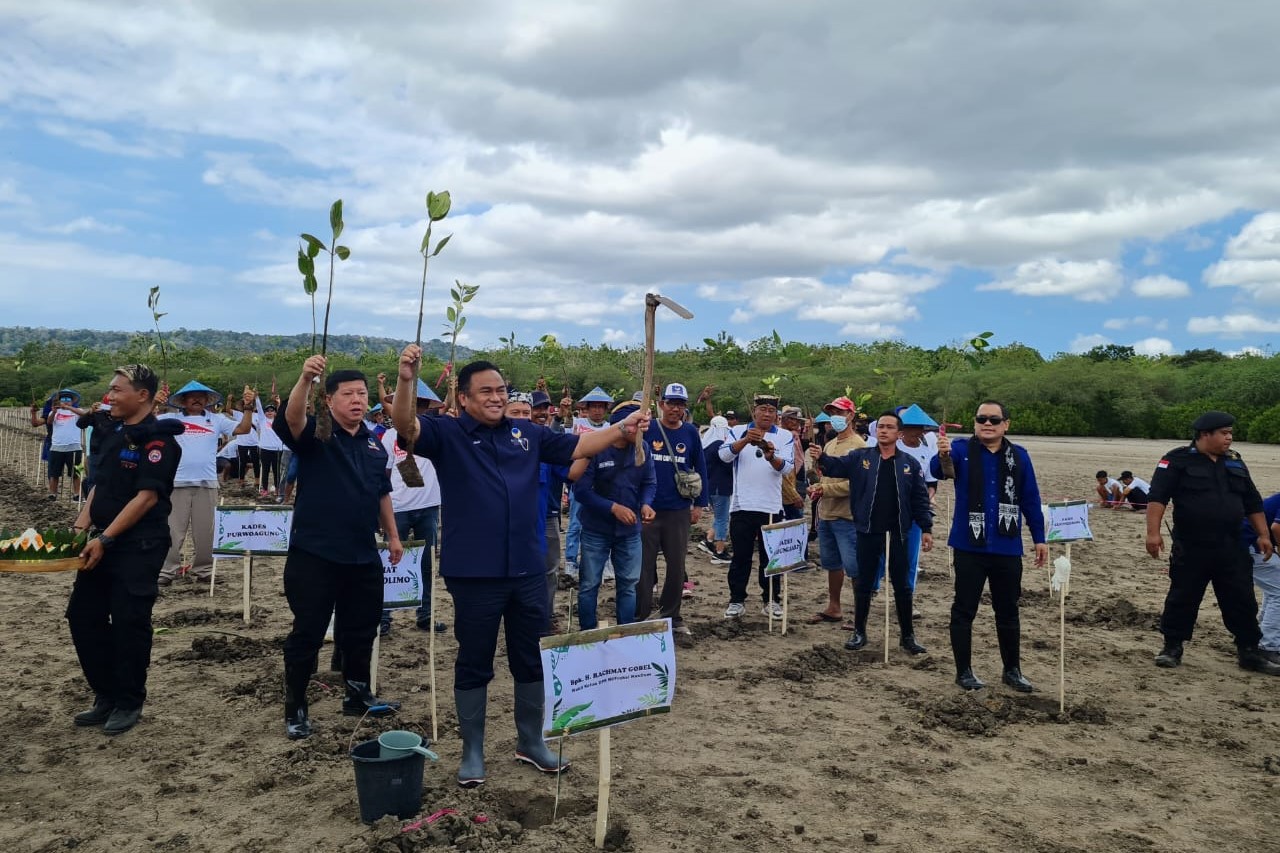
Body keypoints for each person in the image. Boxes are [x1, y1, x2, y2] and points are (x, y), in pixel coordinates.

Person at [390, 348, 651, 788]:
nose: (495, 398)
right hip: (474, 572)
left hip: (529, 568)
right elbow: (404, 426)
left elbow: (580, 445)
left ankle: (530, 741)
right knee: (475, 660)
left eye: (501, 391)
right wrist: (405, 380)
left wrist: (622, 428)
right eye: (486, 392)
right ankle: (472, 749)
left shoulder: (527, 433)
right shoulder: (446, 433)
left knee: (530, 658)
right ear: (465, 398)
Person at [274, 357, 405, 740]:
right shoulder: (317, 434)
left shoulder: (373, 443)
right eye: (347, 394)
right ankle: (296, 704)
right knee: (309, 632)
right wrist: (304, 378)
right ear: (329, 400)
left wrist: (393, 536)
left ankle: (357, 693)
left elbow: (382, 493)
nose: (357, 400)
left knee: (361, 629)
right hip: (314, 554)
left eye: (362, 394)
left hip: (362, 554)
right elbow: (292, 419)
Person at [68, 364, 183, 735]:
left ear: (143, 396)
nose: (110, 396)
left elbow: (146, 498)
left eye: (117, 390)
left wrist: (107, 539)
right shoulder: (116, 433)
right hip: (102, 540)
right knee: (83, 617)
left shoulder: (159, 442)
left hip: (139, 545)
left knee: (129, 622)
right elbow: (100, 486)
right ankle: (105, 694)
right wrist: (81, 526)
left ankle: (128, 700)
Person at [1144, 411, 1280, 675]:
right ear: (1205, 435)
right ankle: (1172, 648)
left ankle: (1249, 652)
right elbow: (1158, 497)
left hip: (1232, 545)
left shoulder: (1235, 462)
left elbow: (1252, 501)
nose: (1230, 437)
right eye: (1224, 433)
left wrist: (1264, 535)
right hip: (1193, 544)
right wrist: (1153, 533)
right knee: (1183, 596)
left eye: (1230, 433)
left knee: (1241, 599)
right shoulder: (1176, 460)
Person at [932, 401, 1047, 692]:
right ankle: (964, 671)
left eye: (994, 419)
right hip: (969, 545)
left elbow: (1030, 498)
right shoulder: (959, 450)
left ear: (1006, 424)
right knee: (963, 609)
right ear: (974, 422)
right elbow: (939, 470)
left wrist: (1039, 538)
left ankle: (1012, 670)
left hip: (1007, 547)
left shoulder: (1019, 456)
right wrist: (942, 453)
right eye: (981, 418)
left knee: (1008, 610)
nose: (987, 423)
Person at [810, 411, 933, 655]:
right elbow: (835, 467)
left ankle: (907, 636)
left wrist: (926, 527)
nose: (884, 430)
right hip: (867, 529)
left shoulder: (909, 463)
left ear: (899, 434)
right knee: (864, 583)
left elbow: (919, 498)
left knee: (902, 584)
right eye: (881, 427)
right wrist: (820, 457)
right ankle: (859, 631)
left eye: (890, 427)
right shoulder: (860, 457)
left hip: (899, 532)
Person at [156, 381, 254, 586]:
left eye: (201, 396)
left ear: (207, 400)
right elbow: (145, 423)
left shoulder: (216, 419)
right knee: (172, 530)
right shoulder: (170, 419)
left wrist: (248, 407)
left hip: (207, 483)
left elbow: (244, 429)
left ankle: (204, 570)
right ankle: (167, 571)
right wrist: (153, 403)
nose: (197, 399)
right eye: (191, 396)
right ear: (183, 400)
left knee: (206, 531)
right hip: (176, 483)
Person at [571, 402, 656, 629]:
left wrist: (646, 504)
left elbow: (649, 482)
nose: (641, 433)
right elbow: (580, 491)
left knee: (628, 584)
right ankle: (587, 633)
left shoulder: (643, 449)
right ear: (623, 426)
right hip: (595, 530)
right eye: (637, 427)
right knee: (589, 584)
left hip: (630, 532)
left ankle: (625, 633)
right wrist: (613, 508)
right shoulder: (596, 448)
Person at [638, 383, 709, 635]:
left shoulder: (690, 433)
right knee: (644, 566)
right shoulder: (649, 429)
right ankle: (642, 616)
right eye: (671, 403)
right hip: (647, 509)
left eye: (680, 404)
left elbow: (700, 467)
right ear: (661, 404)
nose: (675, 409)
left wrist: (700, 504)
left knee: (676, 566)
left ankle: (672, 616)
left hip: (678, 509)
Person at [718, 393, 794, 619]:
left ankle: (771, 600)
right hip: (741, 505)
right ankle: (736, 600)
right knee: (741, 557)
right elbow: (723, 455)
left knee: (770, 559)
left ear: (776, 414)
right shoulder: (737, 430)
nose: (767, 414)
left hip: (771, 506)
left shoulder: (785, 435)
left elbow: (788, 468)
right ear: (755, 410)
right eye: (763, 409)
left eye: (771, 411)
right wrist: (744, 441)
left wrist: (771, 457)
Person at [379, 378, 445, 636]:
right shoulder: (390, 436)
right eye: (408, 403)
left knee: (426, 565)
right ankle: (384, 617)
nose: (413, 408)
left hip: (428, 506)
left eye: (419, 404)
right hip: (397, 507)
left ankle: (425, 615)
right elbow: (384, 474)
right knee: (390, 563)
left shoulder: (438, 432)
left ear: (427, 407)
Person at [805, 401, 865, 625]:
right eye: (832, 413)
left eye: (839, 412)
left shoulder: (859, 445)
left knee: (854, 566)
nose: (835, 417)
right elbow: (825, 476)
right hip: (827, 514)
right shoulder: (829, 444)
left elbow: (857, 484)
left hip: (847, 516)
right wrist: (817, 487)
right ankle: (834, 607)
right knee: (832, 564)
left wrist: (825, 489)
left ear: (850, 415)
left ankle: (861, 613)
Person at [563, 386, 614, 580]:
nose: (598, 410)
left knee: (605, 523)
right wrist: (566, 413)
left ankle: (606, 563)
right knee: (576, 522)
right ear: (587, 407)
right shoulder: (578, 423)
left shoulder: (611, 428)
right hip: (580, 481)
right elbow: (566, 429)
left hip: (604, 482)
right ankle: (570, 562)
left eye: (602, 407)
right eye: (594, 406)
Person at [531, 390, 570, 631]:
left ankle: (545, 616)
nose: (542, 413)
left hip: (548, 515)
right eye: (537, 409)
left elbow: (569, 471)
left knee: (550, 570)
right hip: (517, 517)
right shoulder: (513, 441)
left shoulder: (549, 440)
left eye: (546, 408)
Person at [1246, 492, 1280, 664]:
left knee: (1274, 588)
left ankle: (1260, 636)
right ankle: (1268, 646)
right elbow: (1276, 528)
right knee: (1279, 591)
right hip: (1249, 545)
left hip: (1246, 542)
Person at [697, 416, 735, 565]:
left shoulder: (705, 445)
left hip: (709, 487)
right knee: (722, 519)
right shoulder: (720, 445)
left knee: (719, 517)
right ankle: (719, 552)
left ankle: (708, 540)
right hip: (721, 488)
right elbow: (728, 465)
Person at [45, 388, 86, 501]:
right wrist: (54, 411)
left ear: (73, 401)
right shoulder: (54, 411)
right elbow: (49, 422)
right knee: (54, 473)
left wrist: (68, 408)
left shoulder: (77, 410)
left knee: (77, 473)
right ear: (59, 400)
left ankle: (77, 494)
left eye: (68, 399)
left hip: (75, 447)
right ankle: (53, 493)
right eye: (63, 399)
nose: (66, 401)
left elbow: (84, 414)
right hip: (57, 447)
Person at [256, 399, 286, 497]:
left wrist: (279, 403)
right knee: (265, 470)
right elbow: (259, 408)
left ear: (275, 412)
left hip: (277, 450)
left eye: (272, 411)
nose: (269, 412)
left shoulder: (279, 420)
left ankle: (277, 489)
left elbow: (283, 412)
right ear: (264, 413)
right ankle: (264, 489)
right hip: (265, 449)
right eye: (267, 411)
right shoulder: (262, 420)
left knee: (276, 471)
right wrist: (256, 398)